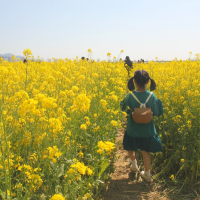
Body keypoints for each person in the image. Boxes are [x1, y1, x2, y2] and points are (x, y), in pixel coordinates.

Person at [120, 70, 163, 183]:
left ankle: (134, 165)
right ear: (147, 82)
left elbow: (123, 108)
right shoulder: (152, 96)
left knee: (131, 147)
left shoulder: (130, 95)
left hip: (133, 129)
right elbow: (158, 112)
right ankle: (147, 175)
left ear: (134, 81)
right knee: (145, 151)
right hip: (147, 130)